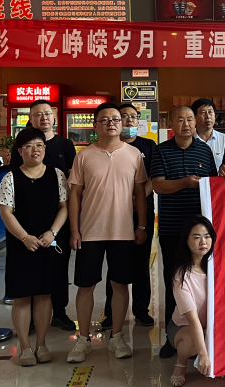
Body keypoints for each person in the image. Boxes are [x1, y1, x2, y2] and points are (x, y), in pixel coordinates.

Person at [67, 103, 148, 363]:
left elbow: (140, 193)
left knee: (120, 284)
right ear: (95, 125)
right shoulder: (84, 156)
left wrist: (142, 226)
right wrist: (74, 229)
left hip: (123, 232)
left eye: (115, 119)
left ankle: (117, 336)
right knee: (85, 286)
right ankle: (83, 339)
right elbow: (74, 194)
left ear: (122, 124)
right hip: (90, 231)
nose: (111, 123)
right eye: (104, 119)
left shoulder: (134, 154)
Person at [0, 128, 69, 366]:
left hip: (47, 242)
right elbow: (6, 213)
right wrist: (25, 237)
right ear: (20, 151)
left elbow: (64, 207)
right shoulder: (10, 178)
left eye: (38, 145)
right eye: (28, 146)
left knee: (44, 294)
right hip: (21, 245)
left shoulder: (57, 175)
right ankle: (26, 347)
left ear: (45, 149)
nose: (34, 150)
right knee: (22, 296)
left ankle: (42, 344)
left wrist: (52, 232)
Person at [151, 106, 218, 359]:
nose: (187, 124)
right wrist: (186, 182)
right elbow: (159, 186)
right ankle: (173, 336)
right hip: (172, 228)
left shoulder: (204, 150)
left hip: (200, 230)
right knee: (174, 279)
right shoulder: (161, 151)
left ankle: (206, 332)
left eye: (190, 119)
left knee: (203, 280)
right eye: (180, 119)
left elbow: (213, 185)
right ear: (171, 123)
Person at [9, 99, 77, 331]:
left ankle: (59, 312)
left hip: (57, 218)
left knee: (58, 266)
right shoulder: (21, 144)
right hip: (27, 219)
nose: (44, 118)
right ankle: (29, 318)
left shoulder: (65, 144)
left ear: (54, 117)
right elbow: (16, 178)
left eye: (47, 113)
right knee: (28, 268)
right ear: (30, 118)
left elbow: (72, 179)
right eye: (38, 114)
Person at [100, 104, 156, 330]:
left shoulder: (148, 146)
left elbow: (154, 177)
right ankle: (111, 313)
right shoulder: (110, 146)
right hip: (115, 213)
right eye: (124, 116)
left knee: (141, 263)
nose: (130, 121)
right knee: (115, 263)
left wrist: (139, 197)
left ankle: (141, 310)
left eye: (134, 117)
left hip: (143, 211)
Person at [168, 216, 225, 386]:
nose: (203, 242)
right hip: (183, 327)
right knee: (192, 339)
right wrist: (203, 355)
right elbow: (193, 320)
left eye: (207, 236)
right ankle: (180, 365)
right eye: (196, 237)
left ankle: (219, 361)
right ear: (186, 241)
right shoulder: (181, 276)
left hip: (210, 326)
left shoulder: (216, 267)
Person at [192, 98, 225, 170]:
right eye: (203, 113)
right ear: (194, 117)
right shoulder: (188, 140)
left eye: (210, 112)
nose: (208, 116)